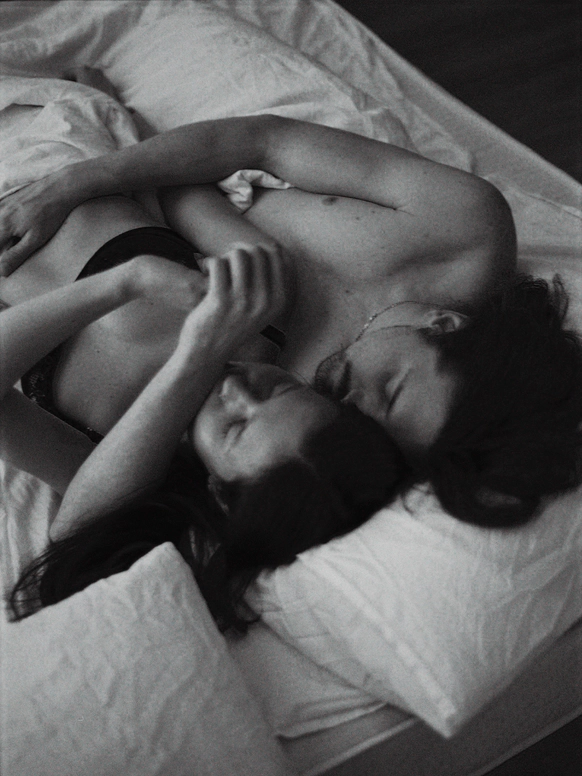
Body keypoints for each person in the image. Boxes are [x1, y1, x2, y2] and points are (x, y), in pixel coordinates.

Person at [1, 74, 581, 526]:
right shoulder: (465, 230)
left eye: (375, 427)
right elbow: (264, 141)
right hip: (91, 176)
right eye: (390, 390)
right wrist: (80, 177)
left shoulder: (291, 408)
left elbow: (90, 501)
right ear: (446, 325)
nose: (353, 403)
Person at [3, 242, 408, 627]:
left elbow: (72, 532)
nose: (235, 389)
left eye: (235, 428)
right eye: (278, 388)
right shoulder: (260, 308)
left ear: (219, 492)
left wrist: (130, 281)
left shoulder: (117, 468)